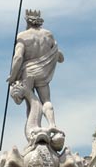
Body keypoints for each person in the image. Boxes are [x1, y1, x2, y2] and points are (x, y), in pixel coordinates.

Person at [7, 9, 63, 141]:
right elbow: (60, 56)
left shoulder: (23, 36)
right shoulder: (48, 35)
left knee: (30, 102)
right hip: (43, 73)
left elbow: (18, 58)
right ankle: (52, 124)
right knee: (46, 101)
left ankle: (33, 129)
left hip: (29, 72)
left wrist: (12, 76)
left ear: (27, 21)